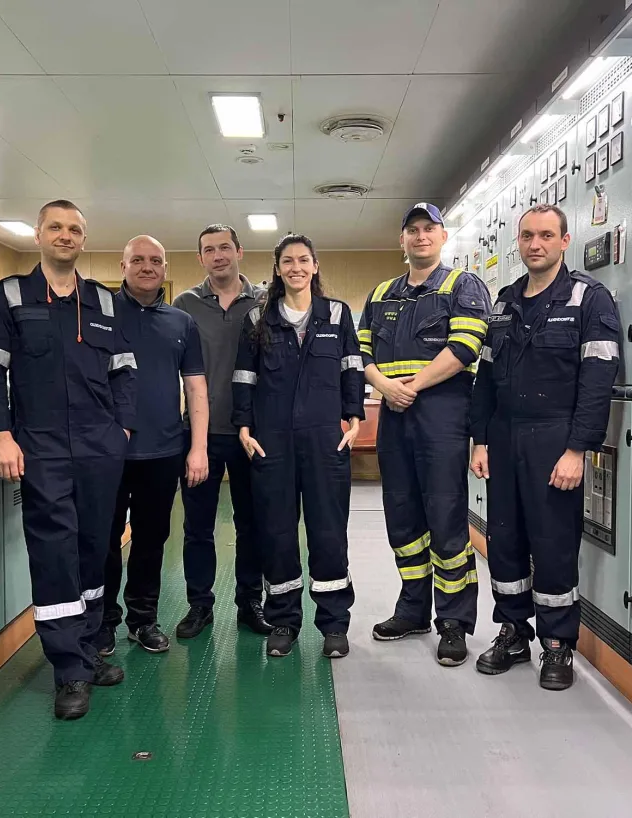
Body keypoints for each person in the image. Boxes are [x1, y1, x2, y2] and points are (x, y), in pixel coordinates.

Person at [0, 199, 136, 720]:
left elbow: (125, 371)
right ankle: (67, 670)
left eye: (75, 229)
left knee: (94, 548)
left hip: (99, 446)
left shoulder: (104, 302)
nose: (66, 236)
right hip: (39, 446)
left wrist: (122, 428)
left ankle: (87, 652)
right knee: (53, 551)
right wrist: (1, 433)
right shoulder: (11, 295)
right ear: (39, 234)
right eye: (56, 227)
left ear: (84, 240)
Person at [469, 204, 621, 691]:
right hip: (505, 434)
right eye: (528, 235)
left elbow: (599, 381)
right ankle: (514, 631)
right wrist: (481, 439)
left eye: (546, 236)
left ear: (564, 241)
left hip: (555, 437)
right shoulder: (504, 301)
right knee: (504, 539)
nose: (535, 244)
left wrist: (578, 448)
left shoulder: (589, 298)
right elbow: (485, 378)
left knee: (554, 542)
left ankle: (557, 645)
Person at [357, 202, 491, 667]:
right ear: (402, 240)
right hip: (395, 414)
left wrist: (410, 387)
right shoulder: (380, 293)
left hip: (442, 413)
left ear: (442, 236)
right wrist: (384, 387)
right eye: (411, 230)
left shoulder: (462, 285)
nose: (420, 237)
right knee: (403, 516)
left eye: (428, 229)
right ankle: (413, 609)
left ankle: (453, 622)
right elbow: (361, 353)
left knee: (446, 515)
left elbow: (465, 346)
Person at [232, 234, 364, 658]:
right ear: (277, 269)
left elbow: (352, 367)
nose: (296, 267)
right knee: (277, 532)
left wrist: (355, 416)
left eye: (303, 260)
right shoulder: (257, 319)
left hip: (326, 440)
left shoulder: (337, 313)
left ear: (315, 265)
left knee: (328, 531)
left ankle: (334, 625)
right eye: (287, 261)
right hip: (272, 442)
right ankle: (285, 620)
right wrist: (244, 425)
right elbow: (244, 376)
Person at [97, 235, 208, 655]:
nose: (147, 266)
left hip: (163, 452)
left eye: (156, 260)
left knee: (151, 539)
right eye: (138, 259)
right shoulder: (99, 315)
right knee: (103, 539)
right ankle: (103, 621)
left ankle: (142, 619)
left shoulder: (181, 322)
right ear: (122, 265)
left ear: (165, 268)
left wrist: (197, 447)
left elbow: (195, 388)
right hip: (108, 452)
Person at [171, 225, 270, 638]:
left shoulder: (265, 302)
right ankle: (199, 605)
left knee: (252, 523)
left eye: (224, 247)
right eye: (208, 249)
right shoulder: (184, 304)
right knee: (198, 526)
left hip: (252, 432)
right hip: (200, 436)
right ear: (200, 258)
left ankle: (250, 602)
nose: (218, 255)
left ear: (239, 251)